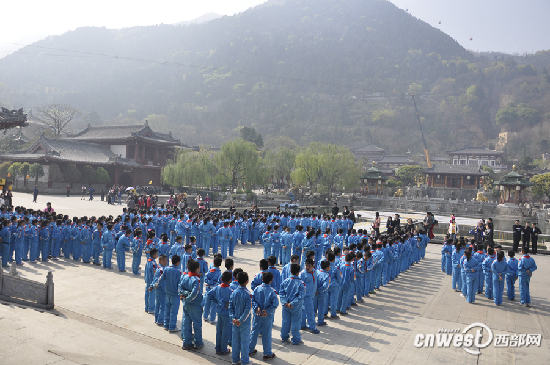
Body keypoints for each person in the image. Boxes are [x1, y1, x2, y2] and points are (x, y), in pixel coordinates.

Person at [249, 271, 279, 361]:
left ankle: (249, 350)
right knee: (266, 335)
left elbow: (252, 299)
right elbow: (275, 303)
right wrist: (268, 311)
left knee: (254, 332)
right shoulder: (272, 291)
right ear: (271, 280)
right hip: (267, 316)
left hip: (257, 315)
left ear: (262, 279)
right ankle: (267, 353)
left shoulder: (257, 289)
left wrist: (256, 307)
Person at [179, 259, 204, 349]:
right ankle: (198, 342)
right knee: (197, 324)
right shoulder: (196, 280)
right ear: (197, 269)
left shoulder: (185, 277)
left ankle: (187, 342)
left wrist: (185, 295)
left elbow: (180, 288)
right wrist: (189, 297)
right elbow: (194, 293)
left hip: (186, 304)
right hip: (194, 304)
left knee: (186, 323)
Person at [208, 271, 233, 356]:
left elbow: (209, 294)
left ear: (221, 279)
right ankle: (223, 349)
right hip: (227, 313)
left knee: (219, 330)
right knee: (225, 331)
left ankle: (218, 348)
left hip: (219, 312)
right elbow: (233, 302)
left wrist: (217, 301)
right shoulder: (230, 291)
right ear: (230, 280)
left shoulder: (217, 287)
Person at [229, 272, 252, 365]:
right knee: (245, 342)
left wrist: (233, 318)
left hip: (234, 322)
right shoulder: (248, 294)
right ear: (247, 281)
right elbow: (247, 310)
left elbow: (230, 307)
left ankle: (235, 360)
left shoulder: (233, 292)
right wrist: (241, 320)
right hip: (244, 323)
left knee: (235, 341)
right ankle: (245, 361)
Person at [279, 263, 305, 345]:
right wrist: (293, 303)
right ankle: (296, 339)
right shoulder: (301, 283)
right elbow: (301, 296)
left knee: (285, 321)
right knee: (296, 322)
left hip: (286, 306)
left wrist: (285, 303)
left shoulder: (285, 282)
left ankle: (284, 337)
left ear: (290, 271)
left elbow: (281, 293)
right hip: (296, 307)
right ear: (298, 272)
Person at [150, 254, 167, 325]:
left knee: (158, 304)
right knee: (162, 305)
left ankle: (157, 318)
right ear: (159, 261)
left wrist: (152, 285)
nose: (165, 262)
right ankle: (160, 320)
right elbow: (158, 280)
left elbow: (154, 279)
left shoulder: (158, 268)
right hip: (161, 289)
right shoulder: (162, 270)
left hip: (158, 289)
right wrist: (156, 285)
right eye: (163, 260)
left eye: (166, 260)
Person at [144, 248, 158, 313]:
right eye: (157, 254)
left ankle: (146, 307)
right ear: (154, 255)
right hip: (151, 281)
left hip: (147, 280)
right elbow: (154, 273)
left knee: (147, 294)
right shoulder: (153, 263)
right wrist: (155, 282)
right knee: (152, 295)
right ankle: (151, 308)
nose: (157, 255)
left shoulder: (148, 261)